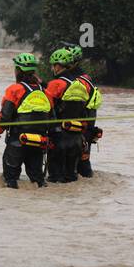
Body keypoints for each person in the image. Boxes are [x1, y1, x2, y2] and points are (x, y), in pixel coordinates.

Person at [0, 53, 53, 188]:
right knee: (38, 181)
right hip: (39, 142)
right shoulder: (46, 93)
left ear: (18, 71)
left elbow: (5, 116)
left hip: (17, 141)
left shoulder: (14, 90)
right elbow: (52, 118)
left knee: (10, 180)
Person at [44, 46, 101, 183]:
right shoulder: (80, 83)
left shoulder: (55, 84)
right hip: (77, 137)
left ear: (58, 67)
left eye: (53, 66)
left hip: (58, 138)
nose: (52, 69)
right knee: (71, 178)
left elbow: (47, 108)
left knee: (55, 180)